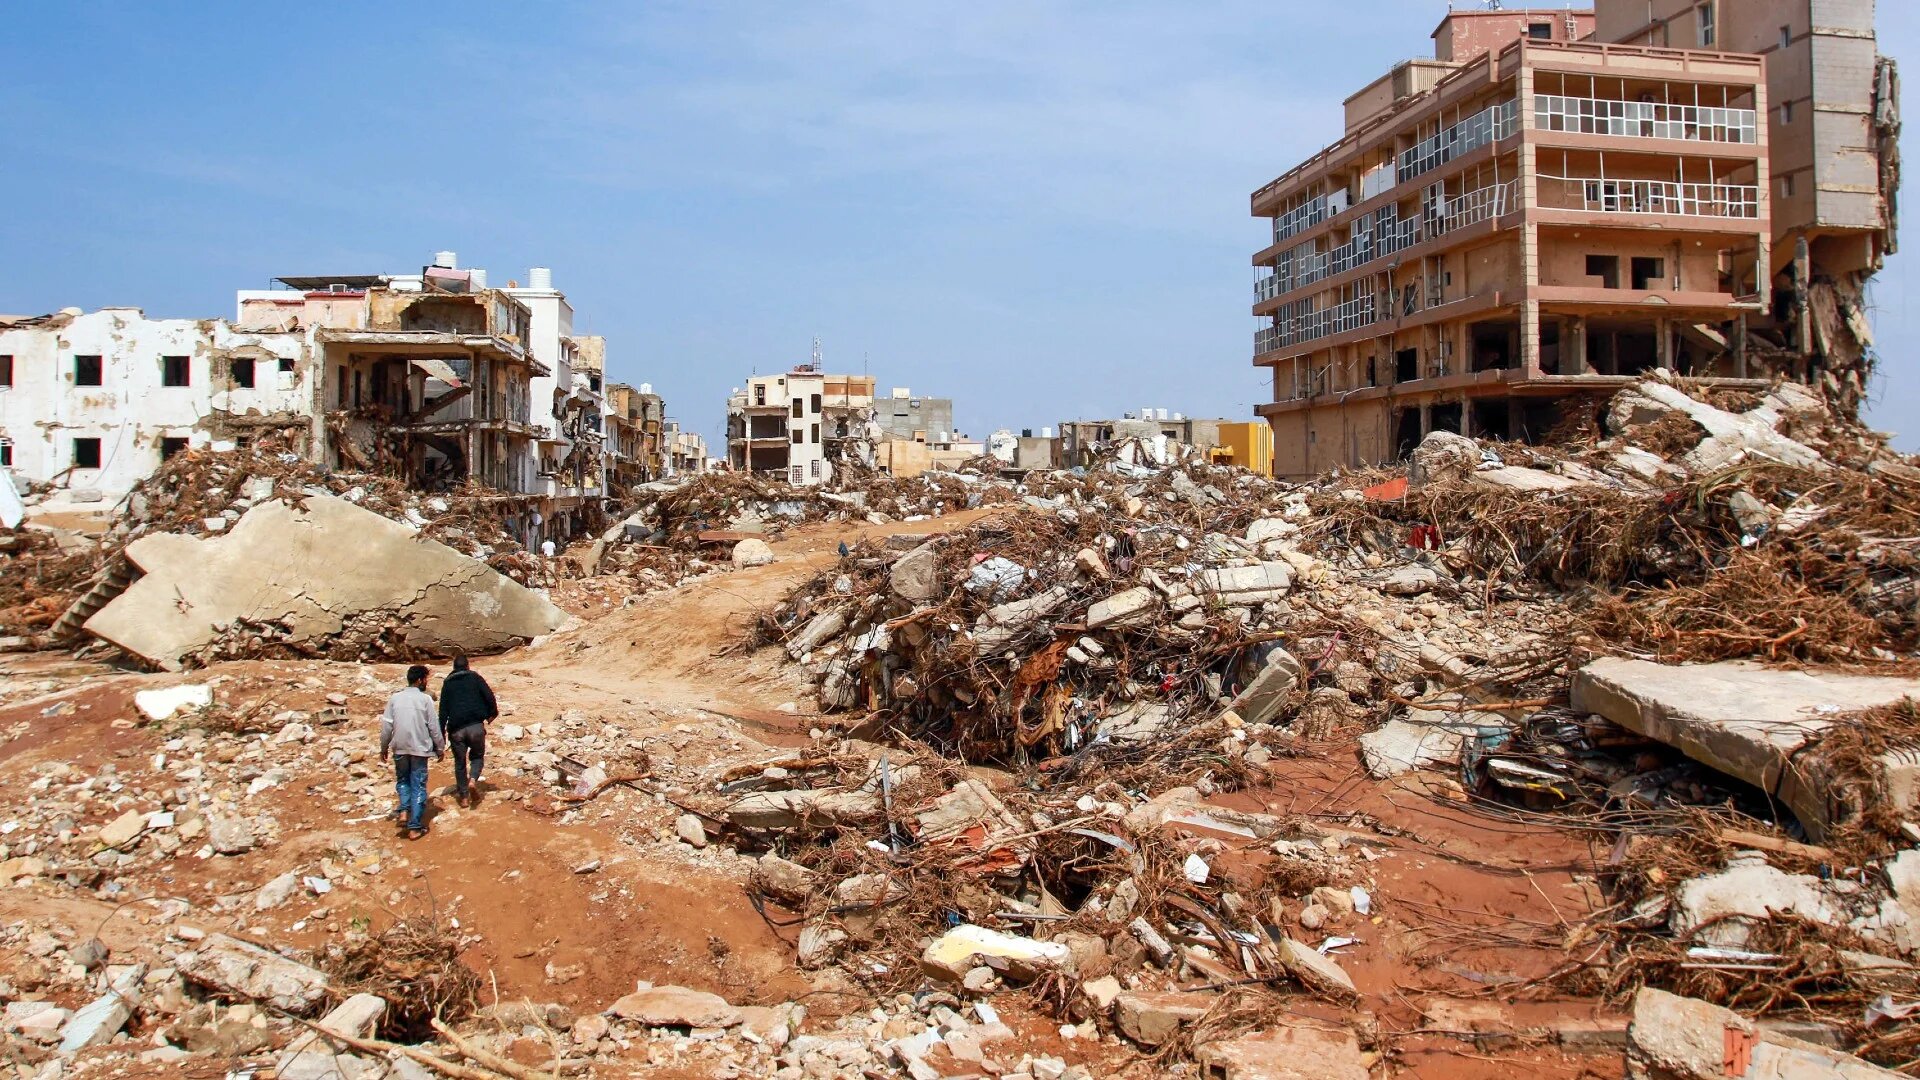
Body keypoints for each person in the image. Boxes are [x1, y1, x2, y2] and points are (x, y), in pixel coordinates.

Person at [380, 665, 444, 839]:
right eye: (426, 679)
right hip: (419, 748)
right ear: (419, 680)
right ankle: (415, 826)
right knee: (418, 784)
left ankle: (404, 810)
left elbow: (386, 726)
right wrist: (440, 747)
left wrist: (384, 747)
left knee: (403, 780)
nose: (426, 682)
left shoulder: (395, 698)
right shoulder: (425, 700)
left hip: (399, 746)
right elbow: (434, 727)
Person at [438, 653, 498, 807]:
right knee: (477, 757)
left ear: (453, 668)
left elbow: (443, 710)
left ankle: (463, 797)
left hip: (456, 730)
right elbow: (489, 696)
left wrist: (441, 734)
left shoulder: (447, 683)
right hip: (475, 726)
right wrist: (492, 714)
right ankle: (472, 780)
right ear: (467, 666)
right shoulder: (475, 678)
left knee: (459, 763)